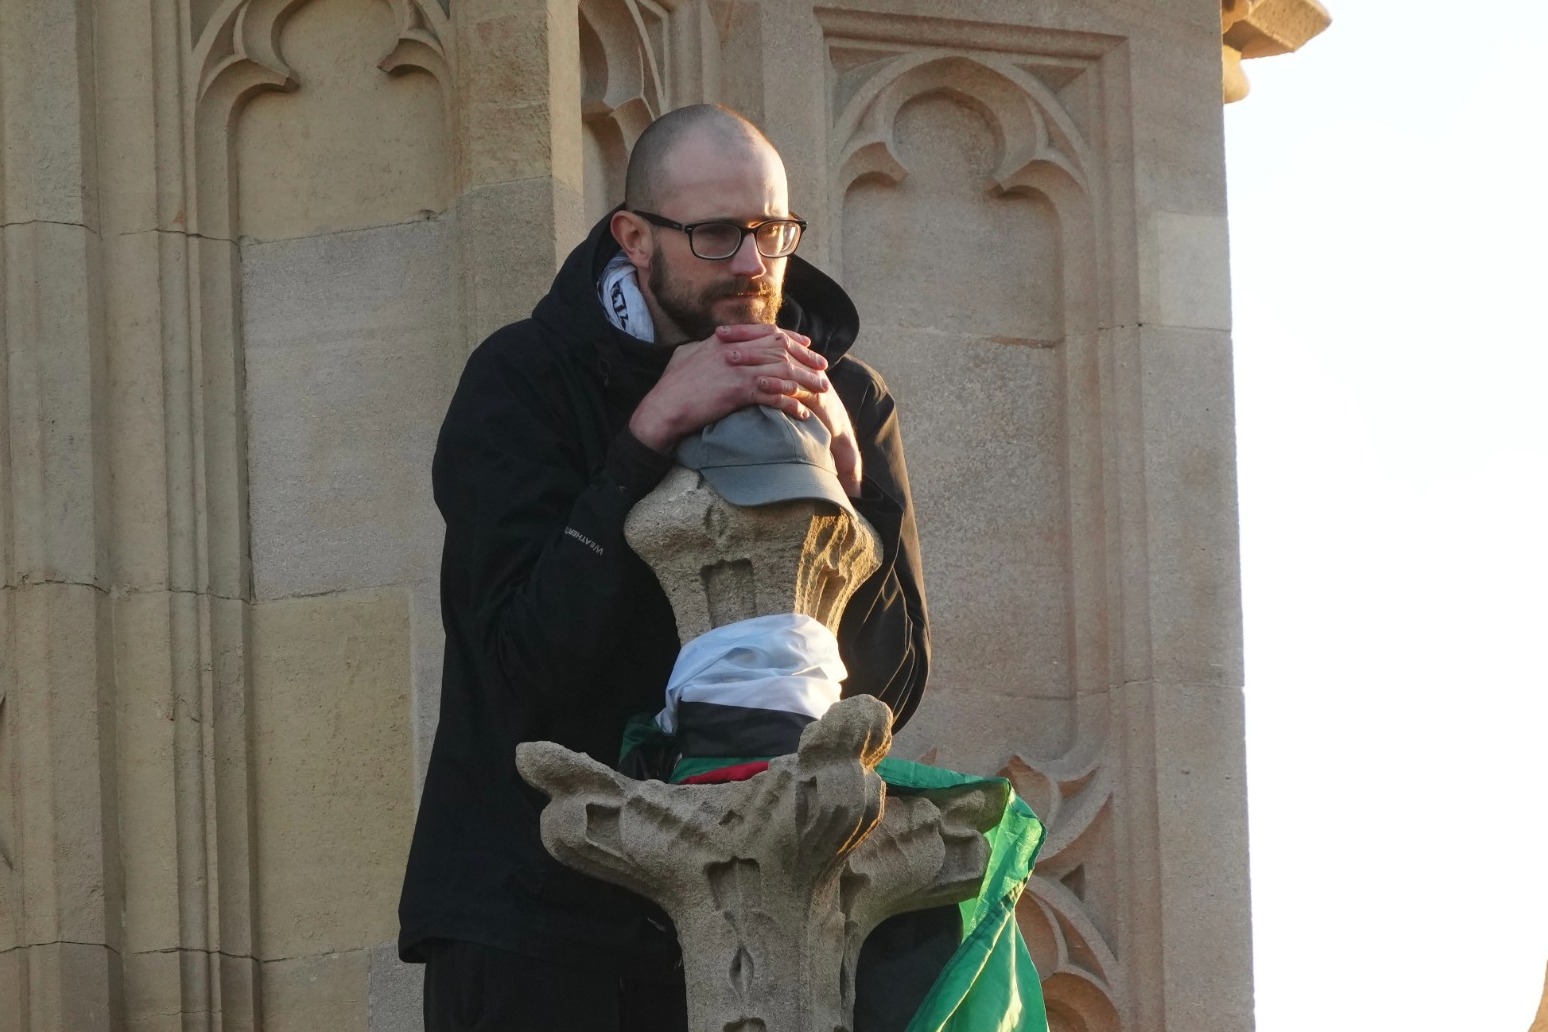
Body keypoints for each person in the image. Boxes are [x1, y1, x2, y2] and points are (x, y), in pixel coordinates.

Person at [398, 104, 933, 1032]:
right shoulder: (524, 377)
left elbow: (890, 681)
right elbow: (523, 661)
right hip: (534, 921)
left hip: (764, 920)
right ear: (634, 238)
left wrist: (851, 497)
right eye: (717, 235)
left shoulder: (847, 395)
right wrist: (643, 440)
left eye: (771, 231)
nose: (755, 267)